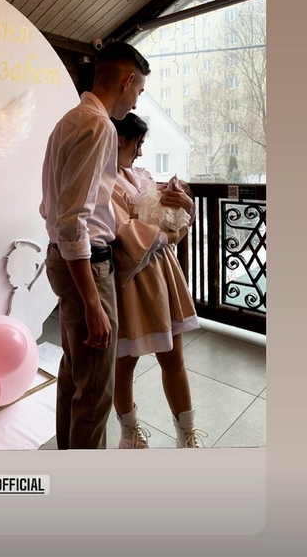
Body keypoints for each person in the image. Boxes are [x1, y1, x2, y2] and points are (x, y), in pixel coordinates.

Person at [40, 41, 150, 449]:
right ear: (126, 81)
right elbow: (74, 221)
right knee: (96, 391)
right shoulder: (100, 125)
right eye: (139, 90)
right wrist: (92, 302)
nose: (136, 100)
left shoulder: (69, 119)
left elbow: (57, 209)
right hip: (86, 267)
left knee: (74, 374)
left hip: (61, 258)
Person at [111, 113, 207, 448]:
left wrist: (185, 207)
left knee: (174, 358)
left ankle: (186, 435)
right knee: (125, 362)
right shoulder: (102, 183)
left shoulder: (141, 176)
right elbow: (127, 234)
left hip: (162, 273)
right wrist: (171, 232)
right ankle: (129, 435)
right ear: (120, 140)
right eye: (137, 144)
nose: (140, 152)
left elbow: (170, 224)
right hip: (130, 280)